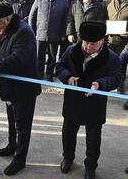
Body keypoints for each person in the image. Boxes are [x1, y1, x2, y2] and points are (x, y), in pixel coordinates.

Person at [0, 3, 41, 176]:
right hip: (8, 87)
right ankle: (12, 145)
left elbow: (17, 59)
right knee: (12, 120)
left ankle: (20, 159)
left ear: (7, 18)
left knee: (22, 126)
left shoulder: (23, 32)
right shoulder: (2, 30)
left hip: (23, 89)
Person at [56, 21, 121, 179]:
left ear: (102, 41)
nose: (88, 47)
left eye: (93, 44)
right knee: (68, 133)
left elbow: (116, 78)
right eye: (85, 42)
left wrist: (99, 84)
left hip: (95, 103)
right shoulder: (72, 51)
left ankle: (90, 166)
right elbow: (60, 66)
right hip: (73, 100)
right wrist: (68, 77)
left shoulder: (111, 58)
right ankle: (68, 158)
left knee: (93, 138)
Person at [29, 0, 69, 81]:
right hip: (40, 34)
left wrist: (63, 34)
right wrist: (32, 32)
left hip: (55, 35)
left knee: (52, 56)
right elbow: (31, 17)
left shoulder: (63, 1)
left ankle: (49, 75)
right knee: (39, 57)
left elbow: (66, 19)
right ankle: (39, 74)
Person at [107, 0, 128, 97]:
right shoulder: (110, 3)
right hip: (111, 39)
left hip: (125, 41)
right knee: (111, 63)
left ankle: (120, 85)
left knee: (121, 63)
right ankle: (111, 84)